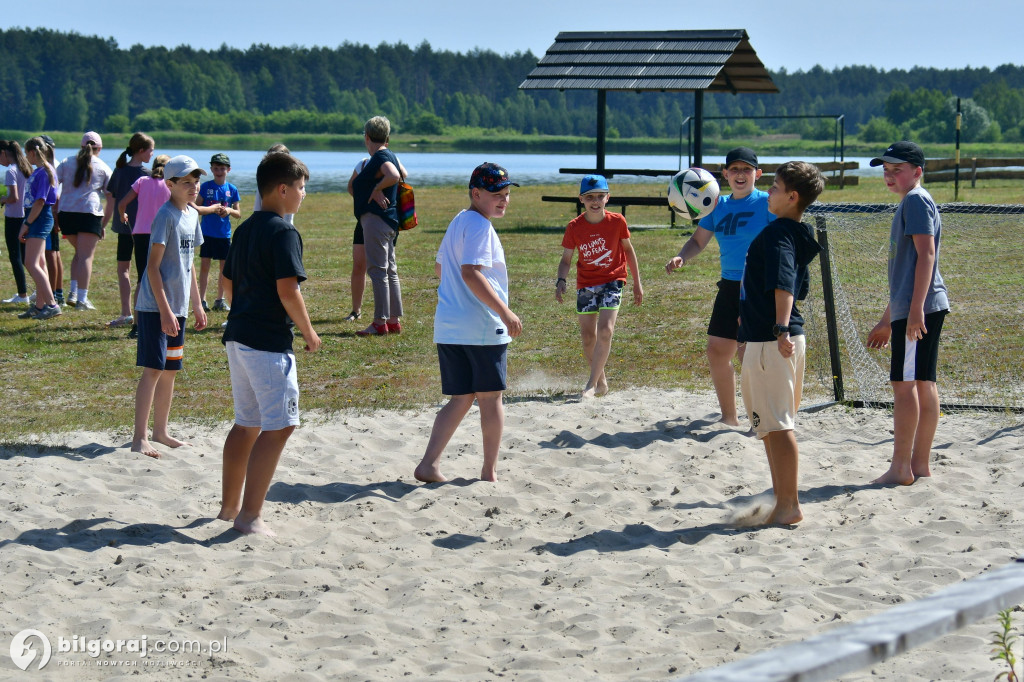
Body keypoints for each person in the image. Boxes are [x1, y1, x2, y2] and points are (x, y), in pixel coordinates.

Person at [218, 151, 320, 536]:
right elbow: (288, 290)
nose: (303, 194)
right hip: (266, 344)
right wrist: (309, 332)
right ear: (282, 189)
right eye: (300, 187)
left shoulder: (244, 229)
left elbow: (226, 282)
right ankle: (249, 515)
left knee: (247, 424)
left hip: (238, 337)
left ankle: (229, 508)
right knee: (279, 427)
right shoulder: (283, 231)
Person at [414, 163, 522, 484]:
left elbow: (440, 268)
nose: (503, 200)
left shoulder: (458, 221)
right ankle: (489, 472)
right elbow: (470, 272)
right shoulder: (479, 226)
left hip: (449, 326)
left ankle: (428, 464)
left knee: (461, 397)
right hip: (482, 327)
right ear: (476, 194)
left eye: (506, 194)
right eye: (496, 195)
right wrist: (504, 310)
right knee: (490, 399)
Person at [737, 161, 825, 525]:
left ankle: (789, 505)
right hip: (773, 339)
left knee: (779, 424)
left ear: (792, 197)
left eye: (773, 186)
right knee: (771, 425)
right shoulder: (793, 232)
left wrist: (780, 328)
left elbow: (785, 283)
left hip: (774, 342)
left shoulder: (779, 236)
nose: (767, 192)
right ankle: (782, 501)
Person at [665, 147, 773, 426]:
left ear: (757, 174)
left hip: (758, 287)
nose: (740, 174)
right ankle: (729, 417)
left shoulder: (767, 203)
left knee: (748, 355)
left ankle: (758, 420)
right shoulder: (717, 206)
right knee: (717, 351)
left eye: (746, 169)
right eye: (734, 169)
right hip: (729, 287)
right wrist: (681, 256)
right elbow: (698, 241)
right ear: (724, 175)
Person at [866, 141, 950, 486]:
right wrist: (889, 318)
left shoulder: (915, 199)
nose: (889, 175)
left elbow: (926, 256)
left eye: (896, 169)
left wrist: (915, 312)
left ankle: (902, 468)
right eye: (885, 170)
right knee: (922, 382)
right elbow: (909, 270)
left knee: (904, 386)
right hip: (922, 306)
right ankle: (919, 465)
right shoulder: (913, 200)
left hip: (922, 308)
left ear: (917, 171)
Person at [131, 156, 208, 458]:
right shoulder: (165, 216)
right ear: (170, 184)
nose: (193, 187)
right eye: (186, 182)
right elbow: (152, 268)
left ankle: (160, 431)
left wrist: (198, 303)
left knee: (170, 370)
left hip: (179, 308)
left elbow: (187, 266)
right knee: (153, 369)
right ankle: (139, 437)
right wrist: (164, 310)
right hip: (155, 307)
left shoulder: (191, 214)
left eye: (195, 182)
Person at [555, 174, 643, 398]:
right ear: (581, 199)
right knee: (588, 338)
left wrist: (637, 284)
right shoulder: (574, 227)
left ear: (607, 198)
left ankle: (590, 385)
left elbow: (629, 251)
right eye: (590, 197)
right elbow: (566, 260)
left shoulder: (617, 222)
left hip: (613, 280)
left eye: (600, 196)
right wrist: (561, 281)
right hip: (586, 284)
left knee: (606, 331)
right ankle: (601, 382)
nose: (595, 201)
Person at [351, 116, 408, 336]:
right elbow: (400, 174)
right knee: (390, 270)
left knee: (377, 270)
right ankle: (393, 320)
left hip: (376, 220)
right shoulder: (390, 154)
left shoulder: (380, 156)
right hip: (389, 221)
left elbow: (393, 175)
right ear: (387, 137)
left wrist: (376, 189)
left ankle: (379, 321)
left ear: (367, 137)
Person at [55, 131, 113, 311]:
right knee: (86, 257)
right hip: (89, 214)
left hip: (67, 214)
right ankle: (82, 299)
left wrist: (55, 215)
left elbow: (53, 188)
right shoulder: (103, 166)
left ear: (81, 146)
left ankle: (73, 292)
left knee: (79, 254)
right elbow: (111, 199)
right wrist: (104, 224)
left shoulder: (65, 163)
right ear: (100, 148)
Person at [119, 154, 172, 339]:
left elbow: (122, 203)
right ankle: (163, 319)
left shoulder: (142, 181)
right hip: (161, 233)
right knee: (162, 276)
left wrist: (122, 216)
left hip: (140, 233)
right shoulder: (170, 184)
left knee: (143, 277)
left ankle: (136, 325)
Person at [106, 132, 154, 328]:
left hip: (125, 228)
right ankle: (139, 312)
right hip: (143, 229)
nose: (152, 155)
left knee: (123, 270)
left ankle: (126, 313)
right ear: (141, 151)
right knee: (143, 272)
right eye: (151, 150)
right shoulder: (148, 175)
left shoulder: (119, 171)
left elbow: (113, 194)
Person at [15, 137, 60, 319]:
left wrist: (26, 224)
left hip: (38, 218)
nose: (26, 157)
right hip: (37, 217)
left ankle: (51, 304)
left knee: (31, 262)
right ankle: (40, 305)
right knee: (40, 263)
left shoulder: (44, 172)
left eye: (27, 154)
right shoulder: (42, 170)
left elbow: (40, 201)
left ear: (33, 152)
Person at [195, 152, 240, 313]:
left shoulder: (232, 189)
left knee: (224, 268)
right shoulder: (206, 187)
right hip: (207, 233)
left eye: (222, 168)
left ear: (228, 169)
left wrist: (228, 210)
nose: (219, 171)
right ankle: (202, 299)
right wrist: (211, 209)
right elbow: (197, 209)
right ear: (211, 169)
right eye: (215, 168)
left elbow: (238, 213)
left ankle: (220, 300)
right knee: (205, 266)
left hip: (224, 234)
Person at [1, 140, 32, 304]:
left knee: (16, 257)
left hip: (14, 219)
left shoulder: (11, 172)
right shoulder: (26, 169)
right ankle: (41, 290)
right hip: (26, 217)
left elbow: (14, 197)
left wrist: (2, 199)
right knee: (28, 258)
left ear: (4, 153)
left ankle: (22, 295)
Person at [344, 157, 370, 321]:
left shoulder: (390, 159)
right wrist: (364, 200)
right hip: (363, 220)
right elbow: (350, 186)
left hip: (383, 223)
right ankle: (356, 310)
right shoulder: (363, 163)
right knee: (359, 264)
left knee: (385, 268)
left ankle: (390, 315)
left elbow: (402, 174)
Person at [252, 144, 295, 225]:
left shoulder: (291, 182)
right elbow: (257, 207)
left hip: (286, 225)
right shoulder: (264, 182)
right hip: (266, 224)